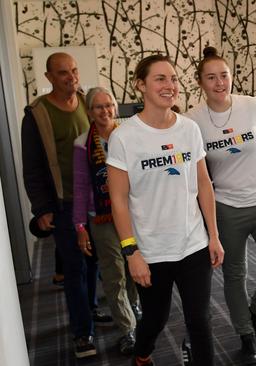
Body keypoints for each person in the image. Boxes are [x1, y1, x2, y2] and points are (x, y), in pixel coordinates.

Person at [107, 54, 224, 366]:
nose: (170, 85)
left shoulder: (189, 129)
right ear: (140, 85)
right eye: (160, 79)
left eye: (173, 78)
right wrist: (131, 252)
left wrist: (213, 235)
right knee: (156, 320)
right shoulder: (124, 137)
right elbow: (118, 200)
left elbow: (203, 184)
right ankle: (142, 355)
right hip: (151, 250)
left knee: (200, 321)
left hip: (193, 244)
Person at [186, 46, 256, 365]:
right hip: (227, 206)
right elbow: (195, 172)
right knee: (234, 274)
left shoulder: (251, 106)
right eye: (212, 78)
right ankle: (246, 337)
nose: (220, 83)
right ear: (201, 83)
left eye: (224, 76)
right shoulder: (193, 121)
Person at [21, 52, 108, 358]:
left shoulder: (87, 102)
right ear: (48, 78)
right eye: (62, 73)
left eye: (73, 70)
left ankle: (90, 309)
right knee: (74, 266)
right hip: (63, 202)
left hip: (95, 198)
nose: (71, 77)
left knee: (94, 260)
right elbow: (31, 167)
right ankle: (82, 332)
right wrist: (41, 208)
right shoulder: (37, 114)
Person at [72, 86, 140, 355]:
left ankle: (133, 307)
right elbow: (79, 187)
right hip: (100, 217)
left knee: (135, 265)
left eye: (109, 105)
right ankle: (128, 330)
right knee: (114, 273)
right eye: (98, 107)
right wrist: (79, 226)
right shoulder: (81, 144)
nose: (105, 111)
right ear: (89, 112)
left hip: (133, 213)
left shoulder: (130, 136)